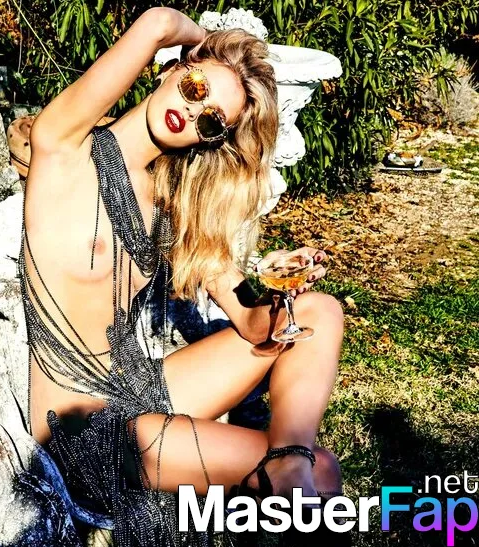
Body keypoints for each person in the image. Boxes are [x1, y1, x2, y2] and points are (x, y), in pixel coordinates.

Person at [20, 7, 345, 545]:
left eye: (211, 121)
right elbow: (157, 22)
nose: (193, 111)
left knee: (321, 311)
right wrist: (203, 40)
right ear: (173, 69)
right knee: (324, 473)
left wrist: (284, 287)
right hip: (80, 426)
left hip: (140, 387)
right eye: (196, 88)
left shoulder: (169, 201)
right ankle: (288, 470)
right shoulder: (63, 146)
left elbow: (251, 320)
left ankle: (288, 460)